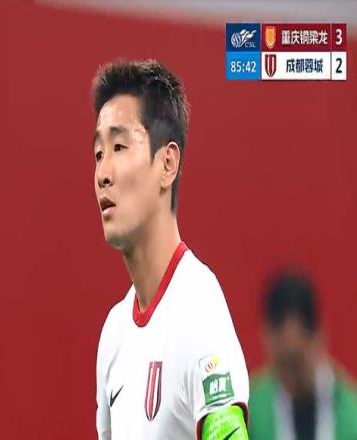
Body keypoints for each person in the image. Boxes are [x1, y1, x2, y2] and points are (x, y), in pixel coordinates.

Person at [92, 59, 249, 440]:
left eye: (119, 146)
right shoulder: (114, 334)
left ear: (167, 163)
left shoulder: (199, 307)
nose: (102, 174)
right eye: (98, 154)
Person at [249, 270, 357, 440]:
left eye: (297, 363)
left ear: (320, 336)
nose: (292, 377)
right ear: (266, 338)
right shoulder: (251, 414)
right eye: (284, 365)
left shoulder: (351, 415)